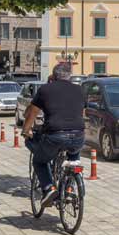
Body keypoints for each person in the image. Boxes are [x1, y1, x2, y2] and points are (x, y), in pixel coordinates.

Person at [22, 62, 86, 208]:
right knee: (73, 157)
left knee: (39, 161)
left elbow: (32, 113)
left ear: (54, 75)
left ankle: (49, 188)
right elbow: (82, 114)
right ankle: (70, 188)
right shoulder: (80, 90)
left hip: (55, 135)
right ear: (69, 75)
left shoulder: (45, 89)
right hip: (78, 135)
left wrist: (26, 130)